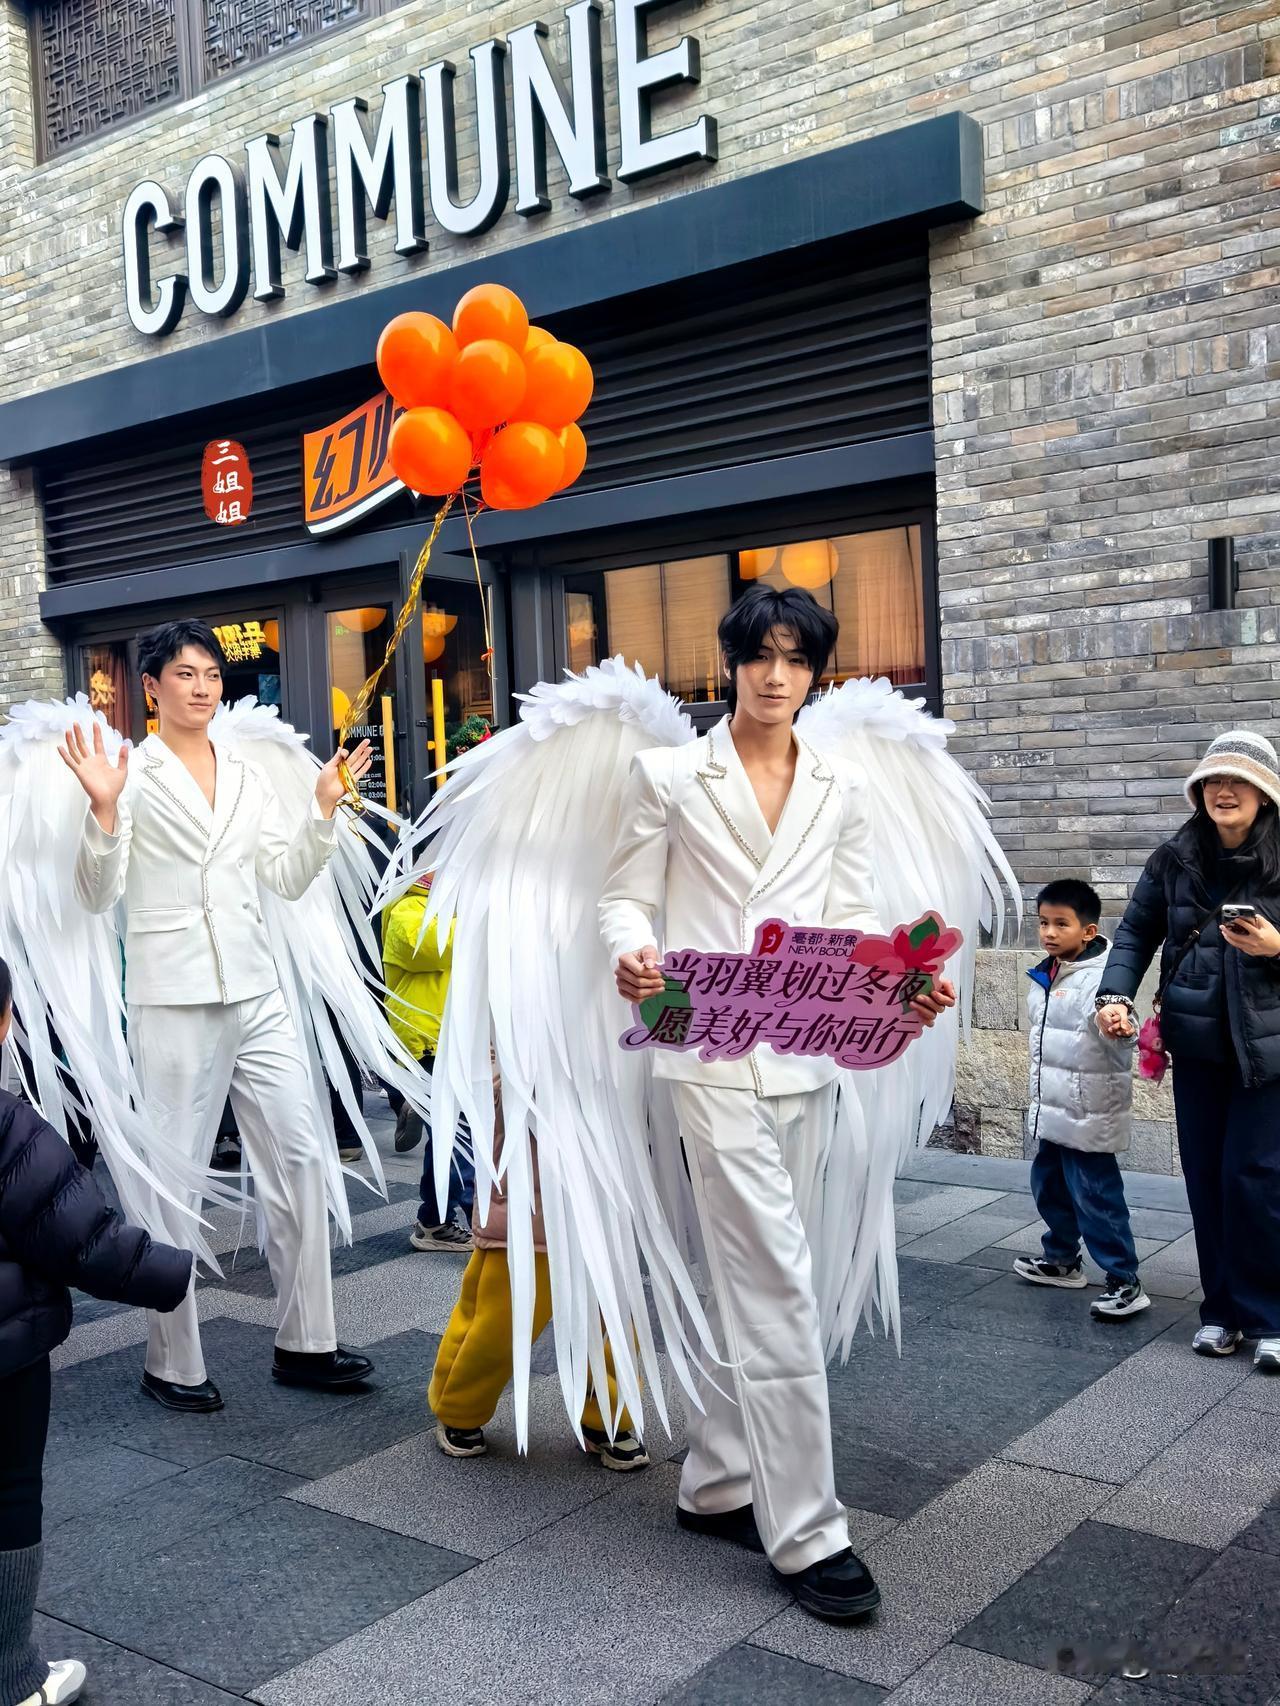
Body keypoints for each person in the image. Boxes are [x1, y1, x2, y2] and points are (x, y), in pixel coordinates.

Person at [599, 585, 955, 1624]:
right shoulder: (667, 772)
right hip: (700, 1048)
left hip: (803, 1057)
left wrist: (896, 980)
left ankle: (716, 1480)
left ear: (815, 673)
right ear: (731, 662)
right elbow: (623, 892)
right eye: (758, 654)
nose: (773, 673)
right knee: (779, 1283)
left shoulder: (839, 785)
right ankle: (806, 1529)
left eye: (794, 658)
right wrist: (630, 951)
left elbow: (847, 919)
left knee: (753, 1274)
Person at [59, 619, 377, 1412]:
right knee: (173, 1183)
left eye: (212, 674)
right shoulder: (129, 772)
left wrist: (323, 811)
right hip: (172, 997)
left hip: (256, 990)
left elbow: (286, 873)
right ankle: (172, 1361)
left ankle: (307, 1343)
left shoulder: (243, 771)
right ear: (152, 688)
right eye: (186, 674)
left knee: (302, 1157)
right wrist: (102, 812)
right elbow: (97, 895)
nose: (203, 687)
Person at [0, 957, 191, 1706]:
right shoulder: (11, 1124)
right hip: (7, 1355)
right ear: (7, 1021)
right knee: (10, 1494)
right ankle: (13, 1676)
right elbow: (87, 1240)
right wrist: (172, 1275)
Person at [1097, 731, 1280, 1373]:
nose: (1223, 791)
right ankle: (1222, 1312)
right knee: (1206, 1178)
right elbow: (1135, 932)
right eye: (1211, 781)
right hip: (1200, 1044)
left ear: (1265, 793)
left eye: (1239, 781)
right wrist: (1113, 995)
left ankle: (1269, 1317)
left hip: (1269, 1051)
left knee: (1255, 1179)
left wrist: (1275, 948)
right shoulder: (1175, 857)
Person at [429, 1087, 647, 1470]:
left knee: (609, 1324)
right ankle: (459, 1406)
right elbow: (483, 1069)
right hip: (525, 1205)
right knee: (497, 1324)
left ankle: (608, 1417)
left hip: (605, 1200)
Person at [1013, 879, 1150, 1319]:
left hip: (1090, 1109)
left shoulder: (1103, 978)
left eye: (1061, 924)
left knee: (1096, 1195)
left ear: (1088, 931)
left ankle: (1124, 1280)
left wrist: (1122, 1026)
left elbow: (1120, 1022)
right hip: (1052, 1107)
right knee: (1049, 1186)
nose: (1049, 933)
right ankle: (1062, 1260)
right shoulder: (1046, 972)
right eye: (1043, 923)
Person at [381, 875, 474, 1251]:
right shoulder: (405, 909)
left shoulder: (449, 908)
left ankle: (436, 1219)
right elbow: (436, 946)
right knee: (459, 1135)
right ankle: (461, 1217)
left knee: (455, 1133)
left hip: (455, 1038)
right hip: (427, 1042)